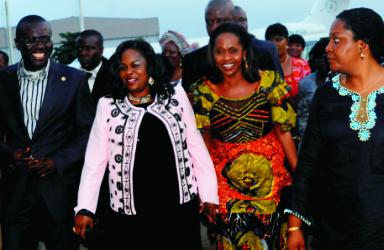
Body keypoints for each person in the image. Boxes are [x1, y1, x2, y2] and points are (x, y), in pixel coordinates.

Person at [286, 8, 384, 250]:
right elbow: (308, 164)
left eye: (336, 40)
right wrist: (295, 225)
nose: (328, 47)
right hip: (337, 231)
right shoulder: (326, 95)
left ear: (362, 46)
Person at [74, 40, 219, 249]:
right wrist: (85, 208)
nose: (129, 72)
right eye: (123, 67)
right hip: (131, 212)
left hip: (178, 207)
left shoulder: (175, 96)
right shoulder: (107, 105)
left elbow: (195, 145)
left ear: (149, 66)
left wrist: (208, 195)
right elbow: (94, 161)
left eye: (135, 65)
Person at [190, 23, 297, 250]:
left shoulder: (269, 84)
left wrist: (301, 178)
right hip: (226, 187)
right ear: (213, 54)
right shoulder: (204, 91)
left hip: (271, 184)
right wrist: (204, 191)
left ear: (245, 53)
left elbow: (284, 133)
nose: (226, 57)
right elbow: (205, 143)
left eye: (233, 50)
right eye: (220, 51)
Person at [0, 15, 95, 250]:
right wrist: (9, 154)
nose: (40, 46)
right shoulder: (2, 80)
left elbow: (87, 133)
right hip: (15, 196)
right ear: (17, 43)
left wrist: (57, 162)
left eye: (45, 39)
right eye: (31, 40)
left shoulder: (74, 79)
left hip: (59, 194)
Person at [182, 0, 282, 92]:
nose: (214, 27)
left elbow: (278, 98)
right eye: (209, 22)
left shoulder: (262, 53)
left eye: (221, 21)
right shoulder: (192, 62)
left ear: (235, 20)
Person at [266, 23, 311, 111]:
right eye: (271, 41)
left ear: (287, 41)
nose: (275, 44)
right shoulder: (263, 67)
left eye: (279, 40)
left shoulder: (302, 65)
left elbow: (309, 95)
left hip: (299, 118)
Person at [234, 5, 283, 78]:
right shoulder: (214, 50)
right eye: (234, 20)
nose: (239, 24)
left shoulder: (268, 48)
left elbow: (278, 83)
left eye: (242, 20)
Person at [296, 38, 330, 138]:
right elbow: (303, 117)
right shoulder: (305, 84)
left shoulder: (343, 79)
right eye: (319, 59)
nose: (323, 63)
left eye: (326, 59)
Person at [76, 29, 113, 105]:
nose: (83, 53)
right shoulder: (70, 78)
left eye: (89, 48)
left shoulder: (113, 78)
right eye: (79, 48)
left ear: (101, 50)